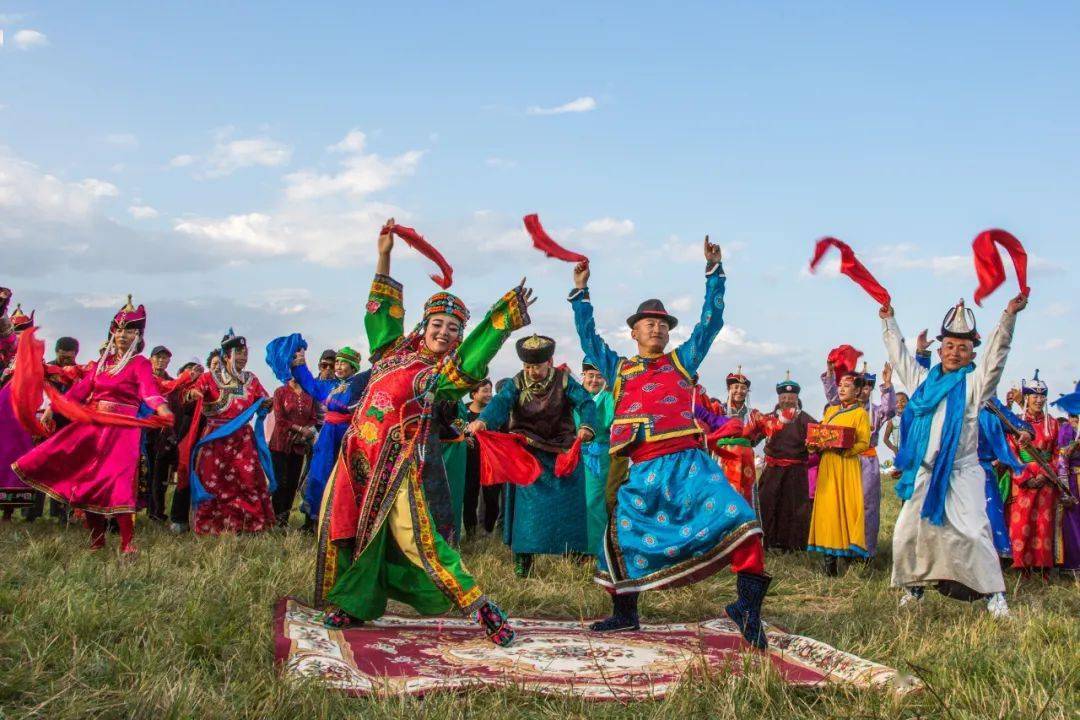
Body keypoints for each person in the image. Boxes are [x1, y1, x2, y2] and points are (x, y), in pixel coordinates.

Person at [313, 219, 534, 647]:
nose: (444, 332)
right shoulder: (390, 352)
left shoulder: (440, 375)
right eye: (438, 324)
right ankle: (353, 602)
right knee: (349, 526)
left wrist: (500, 323)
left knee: (419, 540)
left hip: (399, 466)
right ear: (424, 323)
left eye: (454, 329)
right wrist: (384, 254)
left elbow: (472, 362)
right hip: (357, 456)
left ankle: (481, 607)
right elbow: (380, 313)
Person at [568, 238, 772, 649]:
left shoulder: (683, 361)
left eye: (663, 323)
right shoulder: (619, 369)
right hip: (640, 470)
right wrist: (581, 294)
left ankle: (748, 610)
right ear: (634, 331)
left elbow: (710, 324)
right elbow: (589, 339)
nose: (658, 328)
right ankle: (625, 615)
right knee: (620, 541)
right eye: (649, 323)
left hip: (689, 467)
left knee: (743, 523)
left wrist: (715, 274)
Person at [883, 295, 1027, 616]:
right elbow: (900, 358)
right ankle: (914, 588)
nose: (954, 353)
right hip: (926, 473)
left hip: (962, 474)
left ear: (971, 354)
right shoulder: (922, 382)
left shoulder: (975, 385)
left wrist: (1008, 317)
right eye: (949, 347)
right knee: (907, 532)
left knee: (975, 532)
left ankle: (994, 596)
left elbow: (996, 357)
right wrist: (888, 321)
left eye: (962, 349)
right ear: (940, 351)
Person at [12, 297, 173, 553]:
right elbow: (80, 390)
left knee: (119, 483)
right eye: (119, 330)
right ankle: (97, 541)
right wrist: (53, 408)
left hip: (123, 430)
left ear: (138, 335)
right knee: (90, 483)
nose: (122, 335)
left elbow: (149, 390)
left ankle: (126, 543)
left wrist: (162, 409)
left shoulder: (139, 364)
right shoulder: (102, 364)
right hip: (95, 427)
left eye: (129, 331)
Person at [469, 336, 596, 577]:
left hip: (561, 453)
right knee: (527, 516)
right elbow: (500, 403)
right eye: (527, 366)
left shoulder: (564, 380)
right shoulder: (516, 382)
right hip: (528, 456)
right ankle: (523, 563)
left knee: (568, 509)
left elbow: (586, 403)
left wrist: (588, 425)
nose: (531, 371)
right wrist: (483, 421)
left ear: (548, 362)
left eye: (536, 366)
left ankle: (575, 558)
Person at [186, 331, 276, 535]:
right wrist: (193, 393)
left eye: (245, 353)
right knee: (212, 481)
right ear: (226, 356)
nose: (243, 357)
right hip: (215, 438)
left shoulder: (251, 380)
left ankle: (249, 525)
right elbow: (189, 393)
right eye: (238, 353)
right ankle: (211, 526)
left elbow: (264, 400)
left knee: (247, 479)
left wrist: (268, 404)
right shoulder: (209, 378)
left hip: (242, 439)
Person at [290, 346, 369, 533]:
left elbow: (374, 371)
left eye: (344, 363)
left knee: (342, 477)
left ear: (353, 367)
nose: (339, 366)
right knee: (318, 473)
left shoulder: (358, 384)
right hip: (327, 435)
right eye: (338, 363)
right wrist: (300, 364)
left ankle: (338, 523)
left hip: (345, 434)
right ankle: (311, 519)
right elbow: (310, 384)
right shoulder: (330, 386)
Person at [822, 361, 896, 557]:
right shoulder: (839, 407)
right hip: (844, 460)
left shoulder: (876, 411)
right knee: (843, 504)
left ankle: (866, 551)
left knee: (867, 505)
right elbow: (831, 395)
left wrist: (887, 384)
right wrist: (830, 373)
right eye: (861, 386)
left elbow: (890, 411)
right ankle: (843, 547)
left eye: (868, 386)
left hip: (867, 461)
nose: (864, 390)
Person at [807, 373, 871, 574]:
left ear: (858, 391)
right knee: (828, 510)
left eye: (847, 386)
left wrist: (846, 449)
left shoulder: (860, 413)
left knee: (845, 508)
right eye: (840, 385)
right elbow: (821, 436)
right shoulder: (831, 411)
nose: (842, 389)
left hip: (846, 464)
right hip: (827, 464)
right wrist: (812, 445)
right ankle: (829, 562)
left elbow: (863, 442)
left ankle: (847, 556)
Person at [1007, 371, 1060, 575]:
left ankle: (1043, 566)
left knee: (1043, 523)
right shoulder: (1015, 423)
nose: (1039, 400)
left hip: (1046, 478)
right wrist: (1026, 477)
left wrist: (1046, 474)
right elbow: (1011, 452)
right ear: (1026, 398)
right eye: (1034, 396)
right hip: (1024, 479)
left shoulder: (1053, 423)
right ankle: (1021, 565)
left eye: (1042, 396)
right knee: (1022, 522)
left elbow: (1057, 454)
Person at [756, 377, 817, 552]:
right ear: (779, 399)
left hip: (796, 471)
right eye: (784, 397)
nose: (787, 400)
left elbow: (818, 438)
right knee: (767, 503)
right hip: (773, 470)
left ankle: (794, 546)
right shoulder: (768, 419)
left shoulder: (806, 419)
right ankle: (766, 543)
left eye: (791, 397)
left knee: (794, 507)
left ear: (797, 399)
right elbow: (754, 437)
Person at [0, 305, 43, 518]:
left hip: (17, 417)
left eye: (21, 331)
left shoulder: (32, 356)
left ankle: (8, 513)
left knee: (12, 460)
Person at [269, 355, 318, 528]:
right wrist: (299, 429)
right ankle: (273, 520)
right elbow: (280, 419)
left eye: (301, 368)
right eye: (295, 367)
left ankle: (283, 522)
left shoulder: (309, 394)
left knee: (291, 484)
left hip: (299, 446)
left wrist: (306, 432)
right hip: (280, 445)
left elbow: (313, 418)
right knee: (279, 482)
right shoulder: (280, 392)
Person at [580, 360, 615, 554]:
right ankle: (575, 546)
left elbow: (614, 422)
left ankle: (594, 550)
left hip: (597, 456)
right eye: (590, 375)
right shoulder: (576, 397)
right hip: (573, 456)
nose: (594, 380)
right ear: (583, 375)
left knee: (593, 501)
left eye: (599, 376)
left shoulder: (608, 399)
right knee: (576, 501)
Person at [714, 369, 764, 504]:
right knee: (722, 492)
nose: (739, 391)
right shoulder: (718, 409)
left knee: (746, 494)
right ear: (729, 389)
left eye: (743, 388)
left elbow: (766, 428)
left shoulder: (754, 414)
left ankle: (747, 523)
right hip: (723, 456)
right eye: (736, 387)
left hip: (745, 459)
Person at [167, 361, 205, 533]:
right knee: (184, 474)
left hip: (208, 436)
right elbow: (184, 403)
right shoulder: (184, 390)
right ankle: (179, 518)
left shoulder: (211, 386)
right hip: (187, 435)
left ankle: (201, 518)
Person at [462, 379, 501, 536]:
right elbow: (455, 429)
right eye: (484, 390)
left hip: (491, 462)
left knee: (492, 498)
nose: (489, 394)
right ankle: (471, 532)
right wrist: (463, 437)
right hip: (470, 461)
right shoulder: (463, 411)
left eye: (490, 391)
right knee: (469, 497)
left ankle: (488, 530)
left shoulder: (494, 413)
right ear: (474, 394)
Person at [143, 345, 175, 522]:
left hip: (164, 435)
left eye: (165, 358)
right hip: (144, 431)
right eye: (158, 357)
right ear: (151, 359)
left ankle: (156, 512)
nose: (161, 361)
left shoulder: (172, 383)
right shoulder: (144, 379)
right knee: (143, 472)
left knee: (160, 474)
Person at [1053, 388, 1080, 570]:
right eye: (1073, 414)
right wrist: (1064, 488)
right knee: (1073, 520)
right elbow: (1062, 459)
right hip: (1073, 480)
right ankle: (1074, 564)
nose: (1075, 418)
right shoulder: (1066, 430)